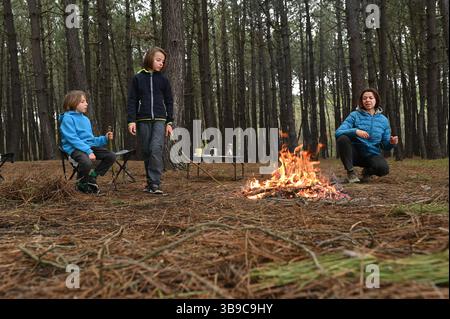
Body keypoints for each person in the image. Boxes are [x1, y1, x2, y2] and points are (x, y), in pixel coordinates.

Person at [127, 47, 173, 194]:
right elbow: (132, 100)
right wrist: (131, 120)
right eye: (158, 60)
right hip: (143, 119)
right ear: (149, 58)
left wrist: (169, 122)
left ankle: (155, 183)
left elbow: (169, 101)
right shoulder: (138, 78)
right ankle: (150, 183)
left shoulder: (163, 79)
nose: (161, 63)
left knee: (155, 149)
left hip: (160, 119)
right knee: (147, 151)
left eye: (163, 61)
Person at [335, 88, 399, 183]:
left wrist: (391, 143)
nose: (367, 100)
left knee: (383, 169)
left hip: (372, 154)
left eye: (370, 98)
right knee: (342, 138)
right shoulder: (354, 115)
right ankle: (351, 172)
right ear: (361, 101)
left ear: (376, 100)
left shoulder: (384, 120)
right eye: (364, 98)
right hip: (354, 154)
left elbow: (386, 146)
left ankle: (367, 172)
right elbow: (338, 132)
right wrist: (355, 131)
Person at [59, 90, 116, 193]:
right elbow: (72, 139)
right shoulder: (67, 118)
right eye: (83, 101)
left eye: (86, 101)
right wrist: (88, 151)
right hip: (74, 148)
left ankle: (92, 177)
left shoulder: (85, 119)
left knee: (111, 156)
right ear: (73, 103)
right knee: (86, 162)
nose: (86, 104)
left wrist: (104, 138)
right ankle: (81, 183)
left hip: (87, 146)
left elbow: (90, 139)